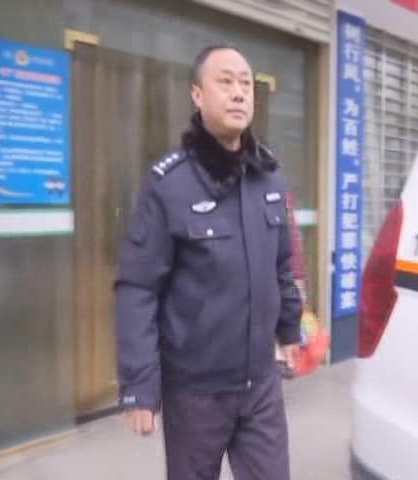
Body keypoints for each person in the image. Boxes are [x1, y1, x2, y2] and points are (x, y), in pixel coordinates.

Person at [114, 44, 303, 480]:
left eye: (246, 84)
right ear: (197, 95)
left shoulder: (269, 178)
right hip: (194, 392)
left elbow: (282, 264)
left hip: (261, 385)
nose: (239, 93)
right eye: (225, 82)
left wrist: (290, 327)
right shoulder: (169, 184)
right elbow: (138, 287)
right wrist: (140, 385)